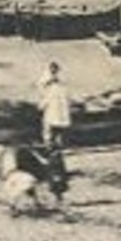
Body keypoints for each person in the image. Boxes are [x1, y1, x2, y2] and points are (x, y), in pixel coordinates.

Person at [38, 61, 72, 200]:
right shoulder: (60, 86)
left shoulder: (52, 87)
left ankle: (51, 148)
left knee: (51, 142)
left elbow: (42, 104)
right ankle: (55, 148)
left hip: (52, 119)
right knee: (57, 144)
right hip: (61, 120)